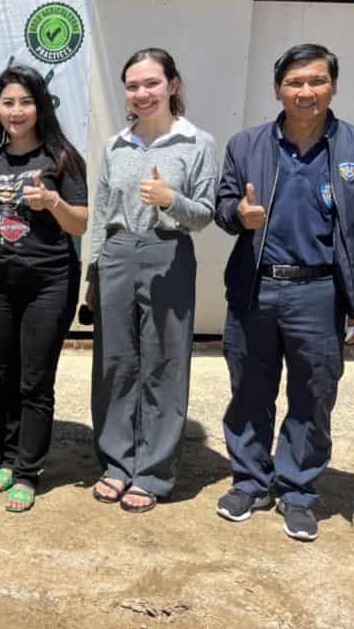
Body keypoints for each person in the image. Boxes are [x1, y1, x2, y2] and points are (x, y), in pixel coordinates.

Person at [214, 43, 354, 542]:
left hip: (319, 291)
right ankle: (250, 482)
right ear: (278, 90)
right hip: (256, 287)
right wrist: (239, 215)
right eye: (295, 82)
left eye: (317, 81)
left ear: (333, 86)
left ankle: (297, 490)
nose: (306, 91)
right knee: (249, 390)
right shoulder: (247, 145)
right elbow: (223, 205)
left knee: (313, 395)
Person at [86, 48, 217, 513]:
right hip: (118, 253)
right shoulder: (116, 146)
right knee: (114, 362)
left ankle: (154, 471)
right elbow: (102, 213)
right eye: (133, 85)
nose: (142, 93)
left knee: (165, 362)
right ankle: (117, 462)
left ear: (172, 85)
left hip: (168, 252)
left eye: (152, 83)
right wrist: (94, 271)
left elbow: (205, 213)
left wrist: (169, 199)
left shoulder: (197, 142)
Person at [0, 65, 89, 513]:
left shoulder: (62, 159)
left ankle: (28, 470)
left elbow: (80, 223)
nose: (16, 111)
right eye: (8, 102)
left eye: (25, 102)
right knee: (4, 375)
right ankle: (7, 458)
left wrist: (54, 202)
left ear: (40, 106)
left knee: (35, 381)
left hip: (49, 283)